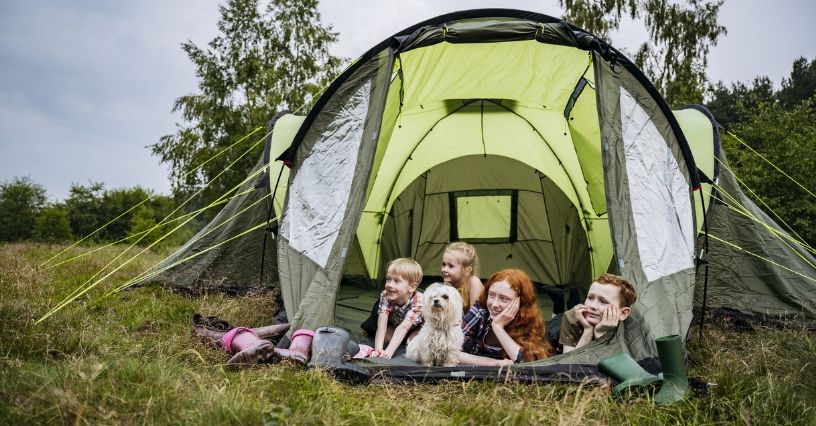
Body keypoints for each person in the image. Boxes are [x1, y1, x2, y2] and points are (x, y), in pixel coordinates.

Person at [458, 269, 553, 366]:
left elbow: (528, 365)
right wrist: (494, 363)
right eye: (491, 295)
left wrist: (498, 327)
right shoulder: (481, 309)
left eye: (503, 298)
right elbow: (449, 350)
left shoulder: (528, 321)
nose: (494, 304)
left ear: (520, 302)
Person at [560, 273, 637, 353]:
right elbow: (569, 362)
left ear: (623, 313)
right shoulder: (572, 316)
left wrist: (600, 335)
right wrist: (588, 331)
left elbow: (614, 363)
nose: (592, 306)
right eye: (590, 298)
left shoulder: (630, 330)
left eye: (603, 302)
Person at [369, 258, 425, 359]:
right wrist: (378, 350)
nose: (390, 285)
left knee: (412, 343)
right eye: (388, 279)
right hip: (398, 323)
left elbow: (404, 327)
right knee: (385, 338)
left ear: (412, 287)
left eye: (396, 281)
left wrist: (388, 352)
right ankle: (399, 339)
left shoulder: (418, 300)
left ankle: (406, 339)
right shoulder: (386, 295)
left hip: (416, 327)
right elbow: (381, 325)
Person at [441, 242, 484, 312]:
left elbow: (475, 313)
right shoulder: (448, 284)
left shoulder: (474, 283)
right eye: (443, 264)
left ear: (467, 271)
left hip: (472, 321)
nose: (444, 269)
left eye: (451, 266)